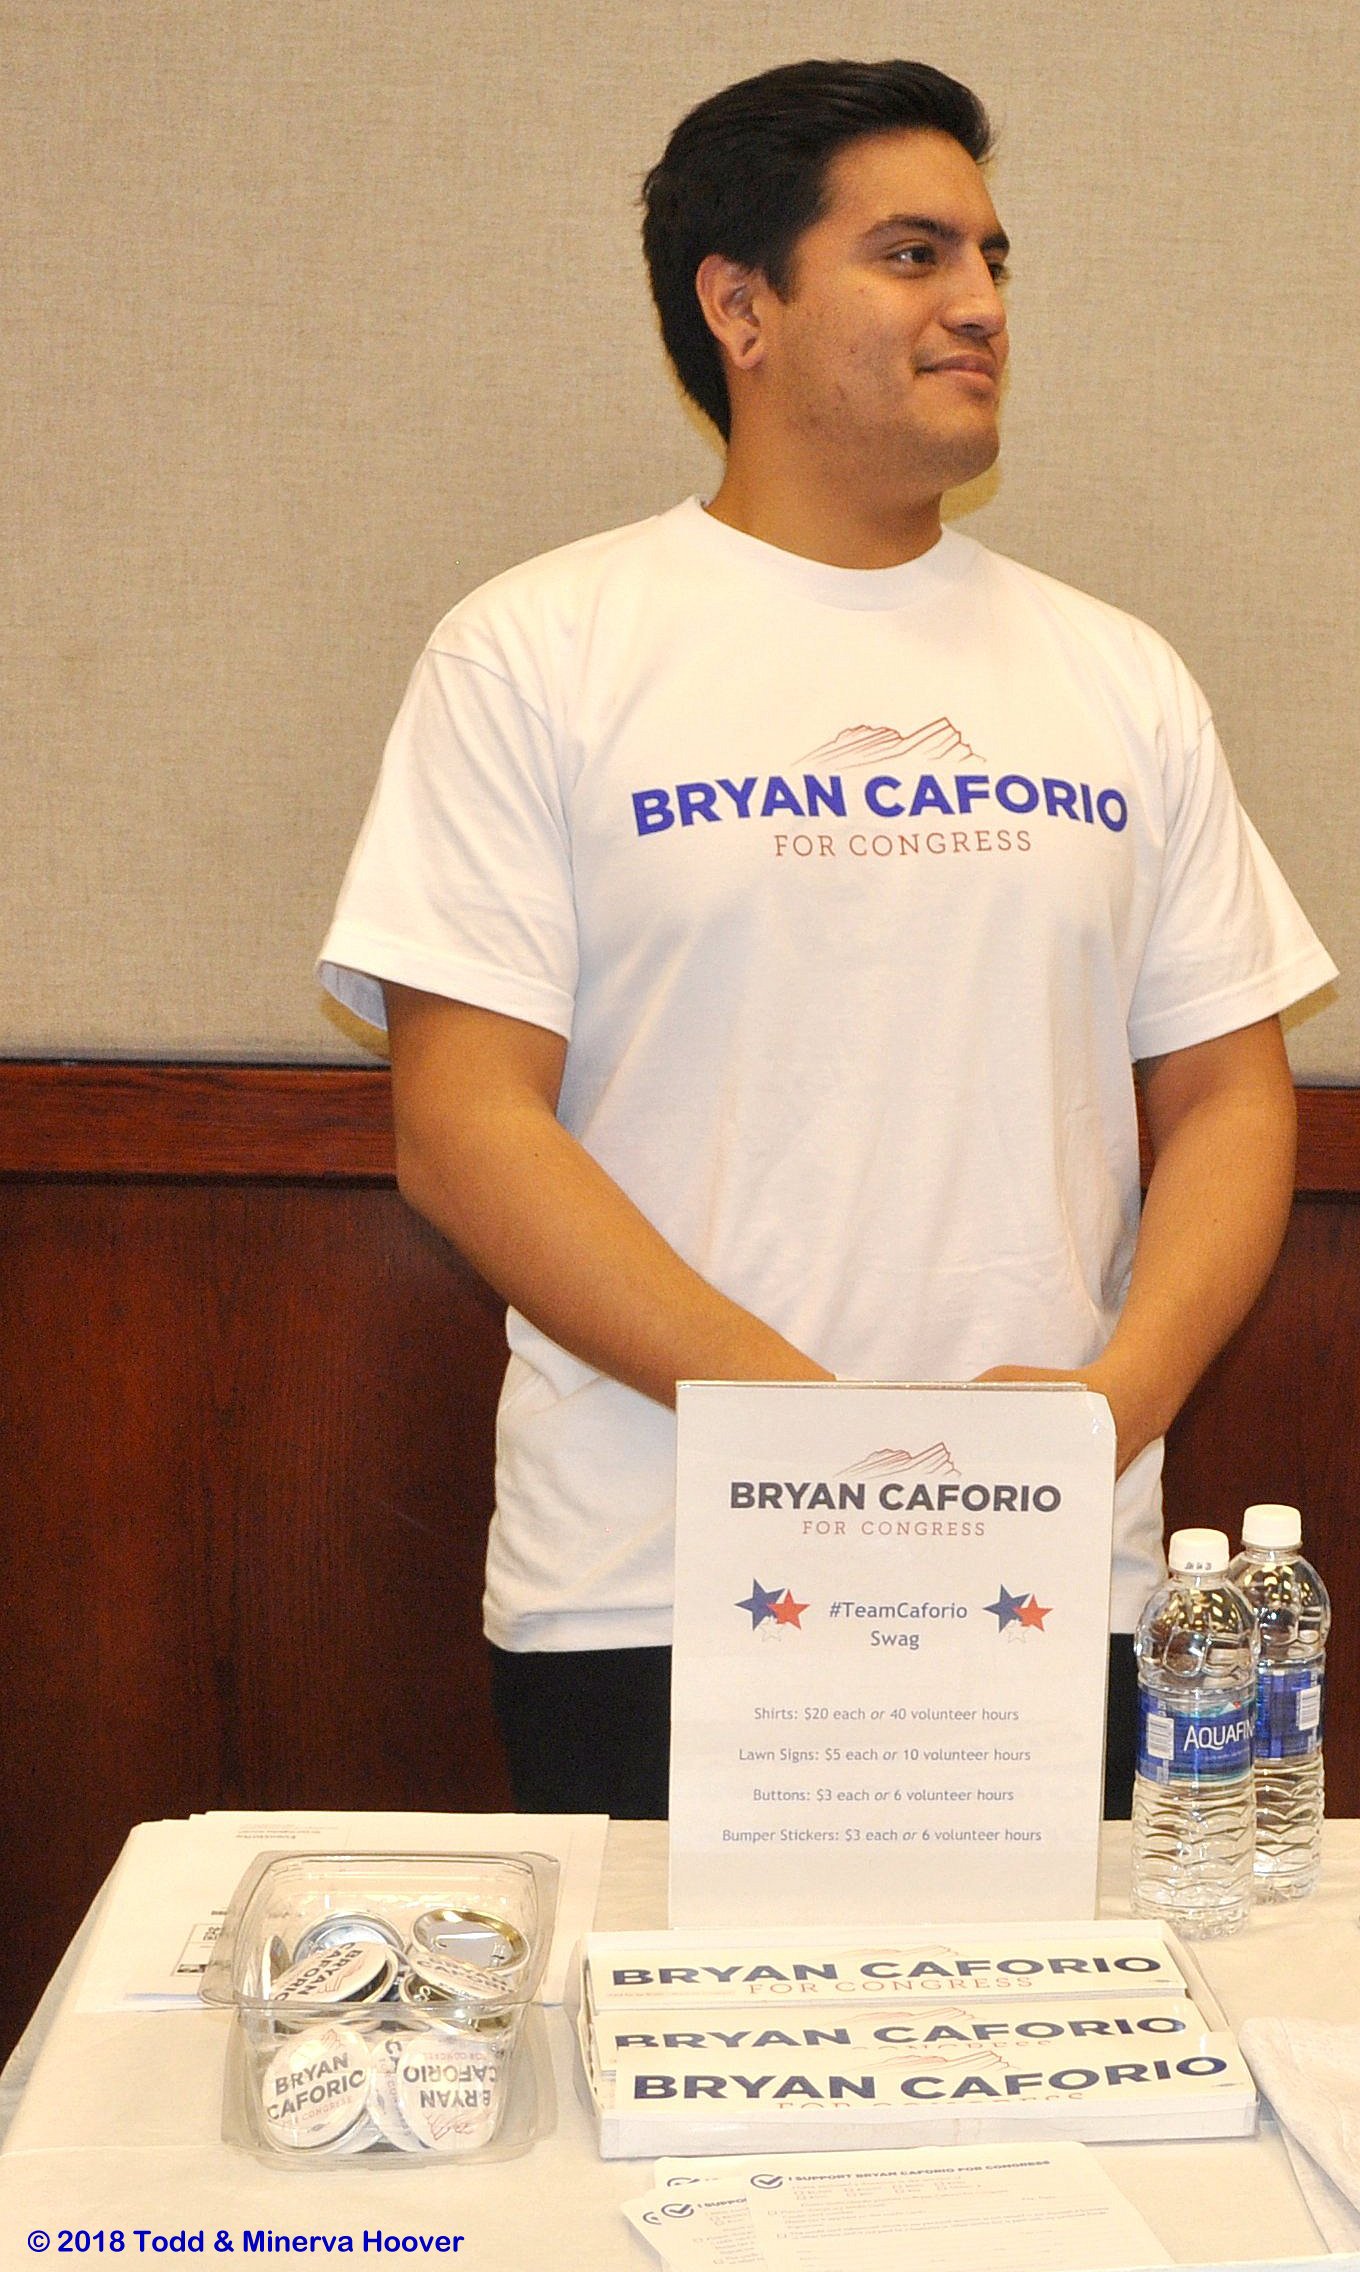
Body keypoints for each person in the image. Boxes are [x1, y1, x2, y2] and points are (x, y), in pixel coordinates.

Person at [319, 59, 1336, 1822]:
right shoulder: (539, 650)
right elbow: (462, 1122)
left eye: (995, 260)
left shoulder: (1118, 676)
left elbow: (1232, 1095)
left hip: (1053, 1578)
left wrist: (1107, 1407)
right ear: (741, 307)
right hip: (658, 1579)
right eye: (914, 255)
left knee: (1060, 2015)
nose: (982, 304)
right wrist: (833, 1448)